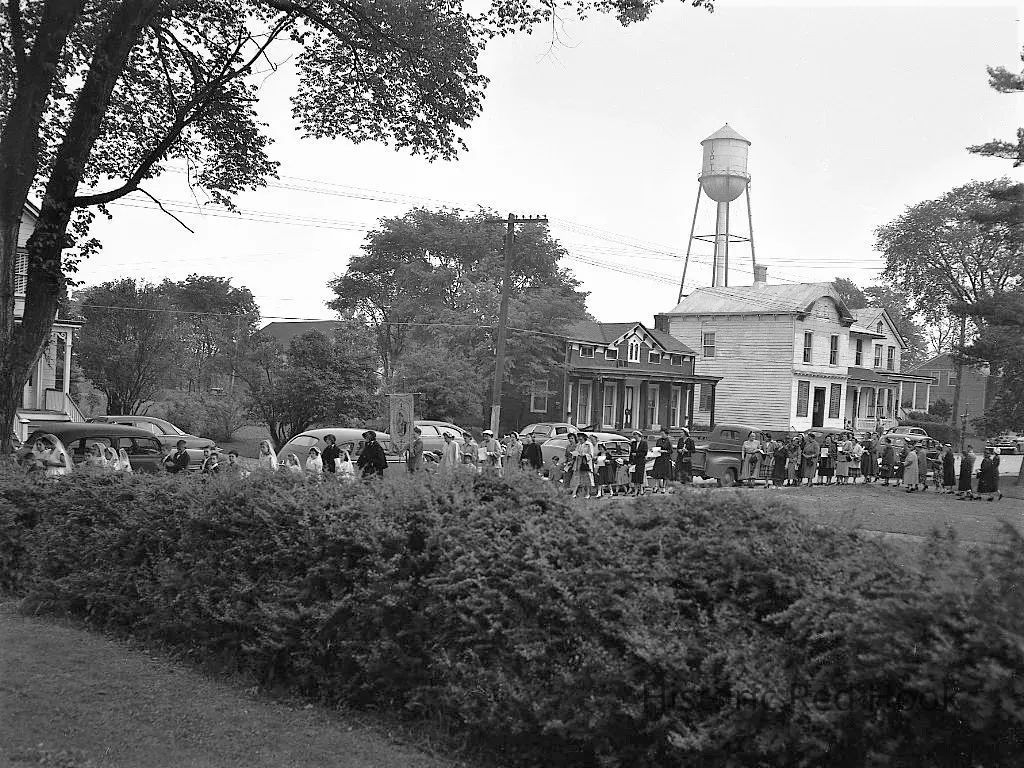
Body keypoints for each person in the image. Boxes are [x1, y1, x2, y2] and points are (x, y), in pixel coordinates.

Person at [569, 431, 595, 499]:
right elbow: (576, 452)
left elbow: (591, 454)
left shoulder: (589, 444)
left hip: (586, 464)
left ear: (583, 437)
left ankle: (588, 493)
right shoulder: (578, 445)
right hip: (578, 463)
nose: (579, 438)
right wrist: (574, 454)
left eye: (580, 437)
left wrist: (584, 455)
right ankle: (576, 493)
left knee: (587, 479)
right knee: (578, 479)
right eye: (578, 437)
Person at [651, 428, 674, 493]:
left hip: (665, 459)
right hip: (659, 458)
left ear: (666, 434)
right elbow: (656, 447)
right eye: (661, 433)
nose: (662, 435)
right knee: (657, 473)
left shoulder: (669, 441)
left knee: (664, 474)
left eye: (663, 434)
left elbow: (671, 451)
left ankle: (663, 487)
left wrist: (664, 451)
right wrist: (654, 450)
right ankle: (656, 486)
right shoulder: (658, 440)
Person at [628, 430, 649, 496]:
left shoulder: (644, 443)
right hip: (634, 462)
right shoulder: (633, 443)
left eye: (635, 435)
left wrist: (637, 454)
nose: (634, 437)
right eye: (634, 435)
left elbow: (645, 452)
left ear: (639, 435)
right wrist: (630, 462)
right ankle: (636, 490)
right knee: (634, 477)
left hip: (641, 462)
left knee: (640, 476)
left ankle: (641, 489)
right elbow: (631, 453)